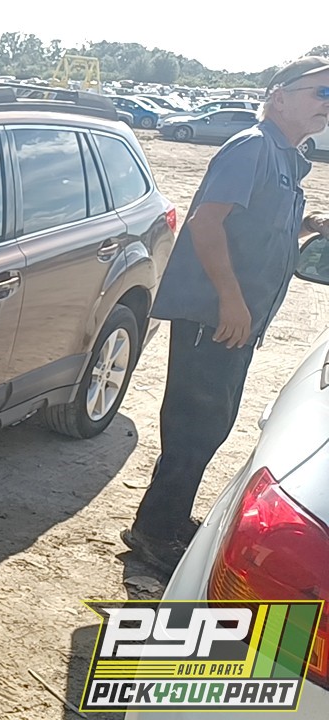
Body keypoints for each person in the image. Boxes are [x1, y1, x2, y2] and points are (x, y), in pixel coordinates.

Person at [122, 56, 329, 573]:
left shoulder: (286, 157)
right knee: (193, 426)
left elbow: (257, 226)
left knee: (211, 424)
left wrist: (309, 225)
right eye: (321, 92)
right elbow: (206, 222)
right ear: (279, 97)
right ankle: (154, 531)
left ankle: (169, 519)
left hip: (237, 320)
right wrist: (231, 300)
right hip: (213, 316)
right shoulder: (252, 146)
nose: (328, 104)